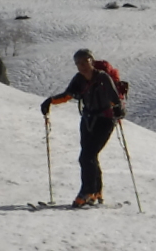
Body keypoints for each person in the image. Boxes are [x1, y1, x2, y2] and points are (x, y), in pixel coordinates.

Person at [40, 48, 126, 207]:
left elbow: (115, 99)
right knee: (90, 156)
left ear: (91, 61)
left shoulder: (103, 78)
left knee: (86, 156)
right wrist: (50, 101)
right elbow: (68, 95)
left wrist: (118, 109)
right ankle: (96, 192)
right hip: (87, 120)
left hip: (105, 121)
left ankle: (87, 192)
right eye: (78, 63)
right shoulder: (78, 79)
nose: (81, 66)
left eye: (84, 61)